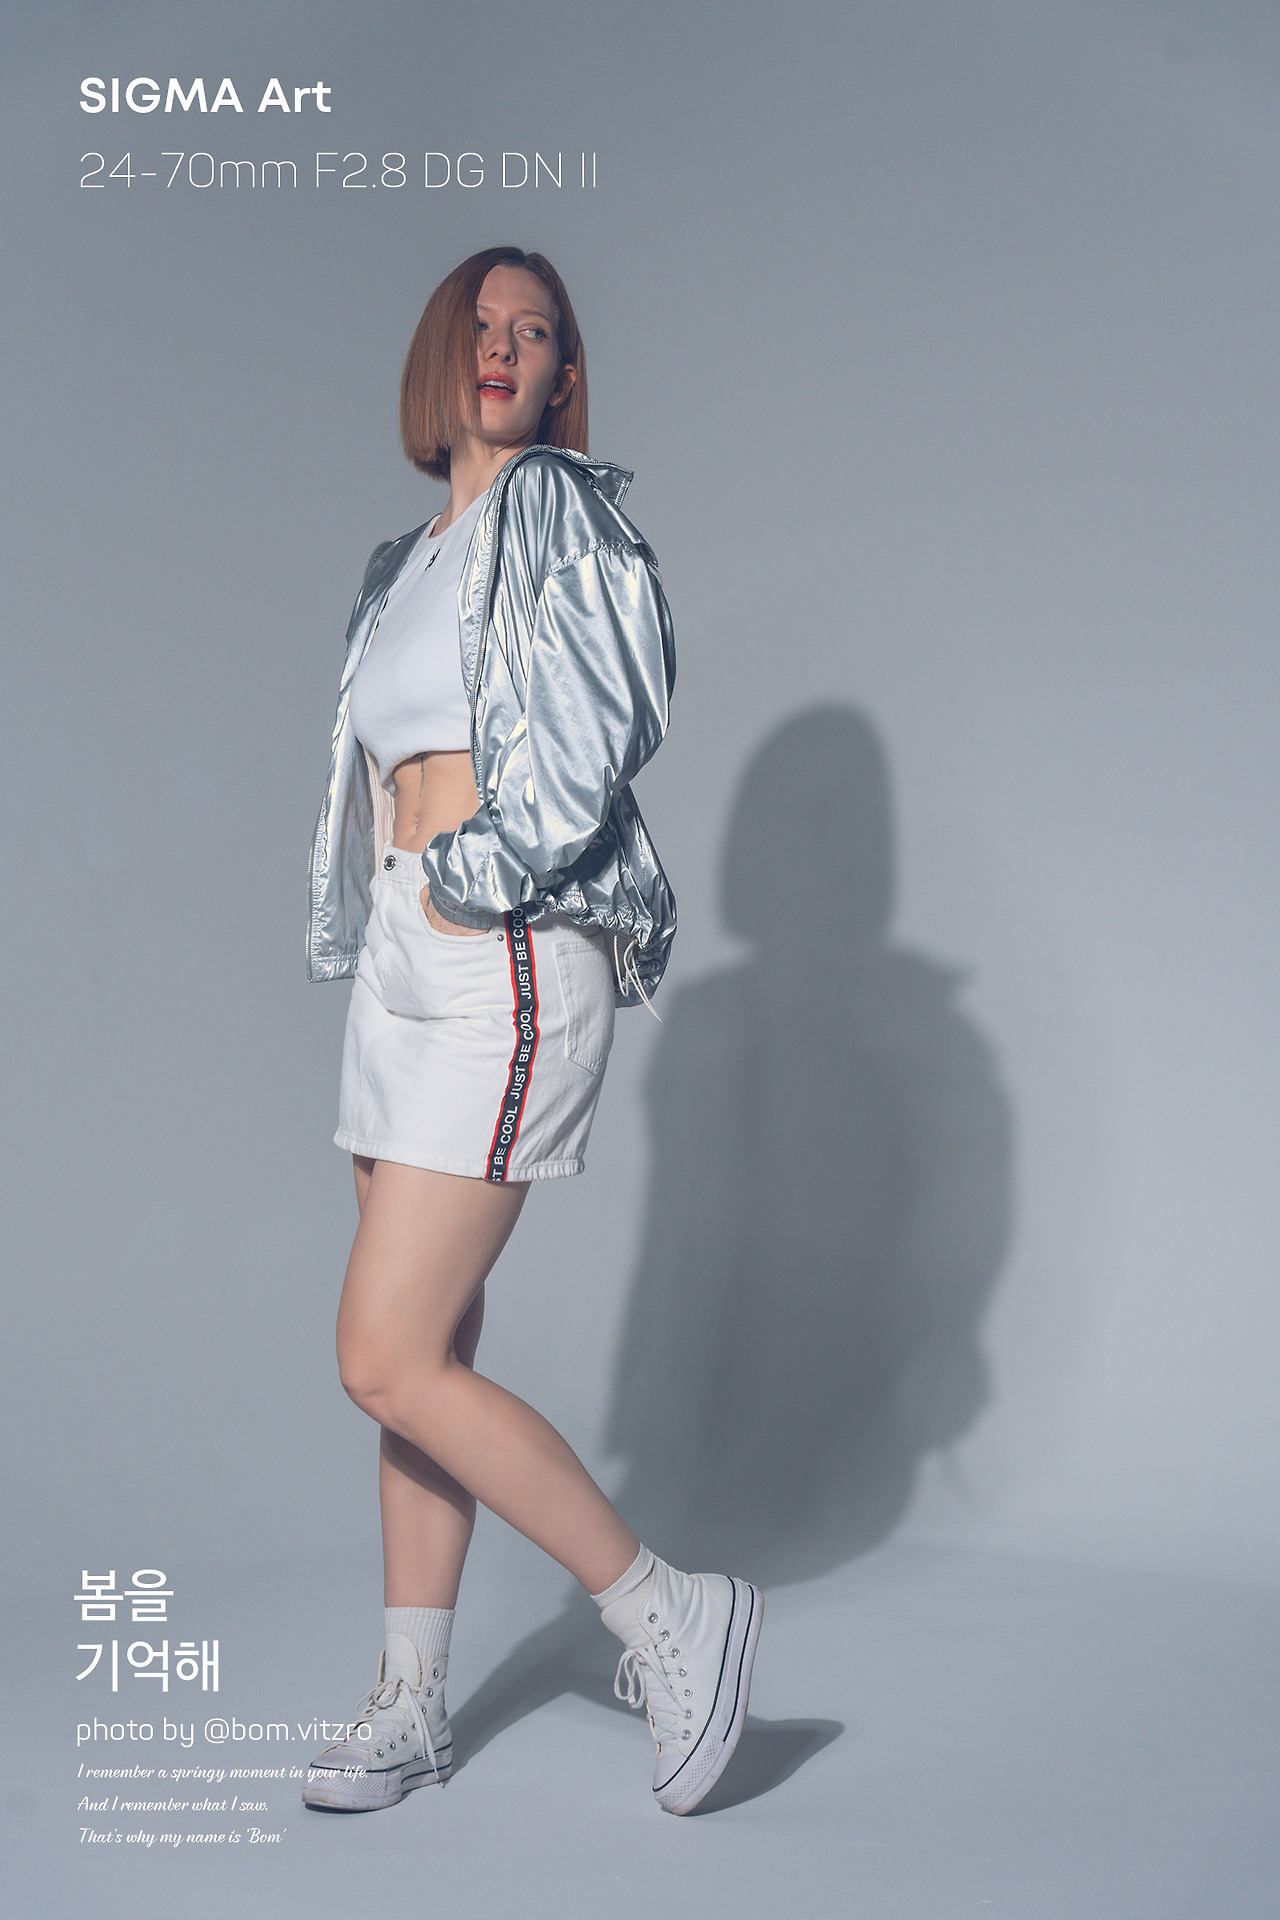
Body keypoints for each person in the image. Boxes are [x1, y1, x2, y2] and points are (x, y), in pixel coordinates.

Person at [301, 246, 761, 1817]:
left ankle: (668, 1610)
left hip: (496, 942)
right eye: (482, 325)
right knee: (428, 1354)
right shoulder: (402, 561)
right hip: (404, 959)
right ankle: (412, 1701)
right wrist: (396, 909)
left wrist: (470, 884)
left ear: (565, 375)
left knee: (381, 1353)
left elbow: (609, 715)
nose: (503, 347)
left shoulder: (561, 510)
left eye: (536, 331)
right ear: (442, 354)